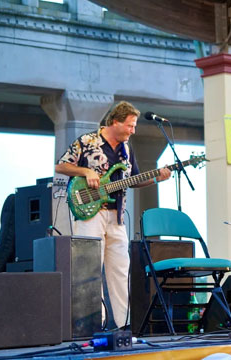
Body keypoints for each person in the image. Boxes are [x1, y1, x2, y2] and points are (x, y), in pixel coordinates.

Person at [55, 101, 171, 329]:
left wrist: (158, 176)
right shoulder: (87, 141)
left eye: (134, 126)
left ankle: (123, 325)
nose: (133, 130)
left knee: (120, 270)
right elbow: (61, 166)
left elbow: (135, 179)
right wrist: (86, 171)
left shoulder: (127, 150)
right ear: (115, 122)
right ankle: (91, 326)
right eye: (129, 125)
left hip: (116, 216)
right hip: (90, 213)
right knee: (89, 269)